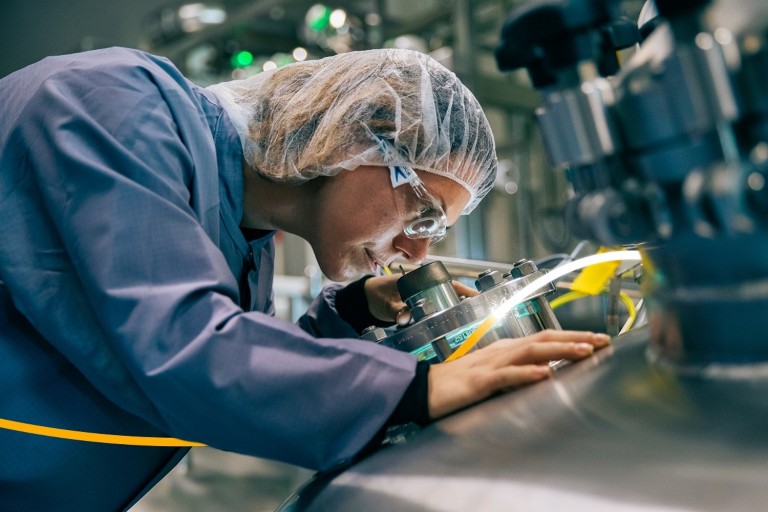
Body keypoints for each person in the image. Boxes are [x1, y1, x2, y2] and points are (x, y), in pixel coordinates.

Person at [0, 46, 609, 510]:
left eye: (437, 230)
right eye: (421, 210)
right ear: (353, 139)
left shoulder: (244, 230)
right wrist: (417, 388)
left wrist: (352, 315)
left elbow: (245, 369)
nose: (417, 250)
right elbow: (182, 349)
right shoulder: (106, 103)